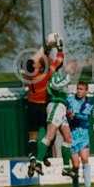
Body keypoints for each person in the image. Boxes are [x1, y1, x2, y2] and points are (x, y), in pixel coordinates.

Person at [24, 34, 64, 177]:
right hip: (43, 107)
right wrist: (59, 48)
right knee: (49, 134)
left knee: (32, 136)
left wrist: (45, 48)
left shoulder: (28, 76)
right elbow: (59, 61)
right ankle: (44, 156)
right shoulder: (46, 74)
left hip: (31, 106)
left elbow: (32, 61)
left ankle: (33, 158)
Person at [34, 60, 78, 177]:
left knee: (68, 138)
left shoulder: (61, 76)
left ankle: (66, 168)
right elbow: (55, 85)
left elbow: (64, 94)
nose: (71, 66)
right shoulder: (53, 74)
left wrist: (68, 109)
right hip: (55, 105)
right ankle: (37, 162)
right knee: (50, 135)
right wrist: (68, 75)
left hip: (61, 108)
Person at [66, 81, 94, 187]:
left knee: (85, 159)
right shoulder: (69, 99)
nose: (79, 91)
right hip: (71, 135)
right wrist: (68, 114)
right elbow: (65, 110)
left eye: (82, 89)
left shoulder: (89, 102)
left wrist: (74, 115)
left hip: (83, 134)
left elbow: (85, 116)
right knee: (76, 165)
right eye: (78, 88)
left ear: (86, 91)